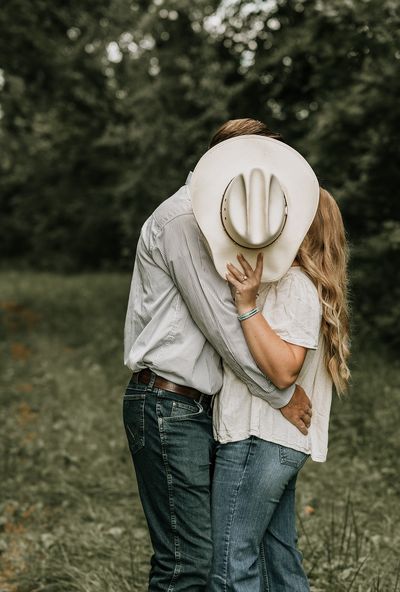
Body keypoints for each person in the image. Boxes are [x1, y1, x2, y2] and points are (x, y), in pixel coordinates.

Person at [122, 119, 313, 592]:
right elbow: (223, 323)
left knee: (203, 559)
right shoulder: (184, 219)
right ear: (226, 163)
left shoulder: (218, 223)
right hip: (169, 404)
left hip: (193, 407)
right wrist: (279, 394)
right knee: (186, 565)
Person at [207, 190, 350, 590]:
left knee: (232, 565)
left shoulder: (294, 285)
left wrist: (246, 304)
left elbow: (286, 369)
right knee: (276, 561)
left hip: (259, 439)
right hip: (273, 442)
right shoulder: (300, 283)